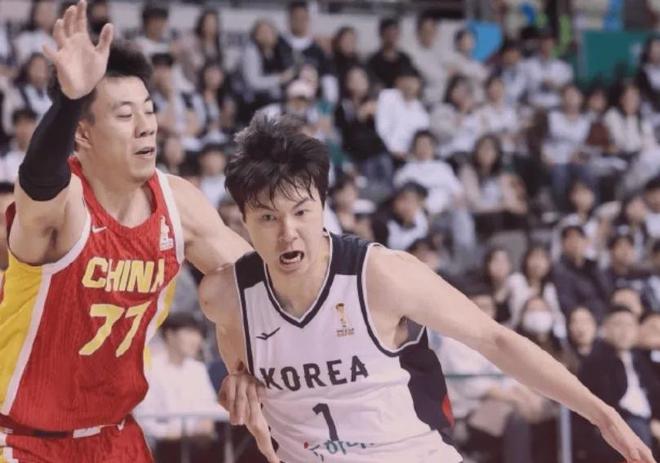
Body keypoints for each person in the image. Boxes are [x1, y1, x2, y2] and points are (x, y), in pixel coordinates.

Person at [199, 114, 656, 463]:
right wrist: (237, 384)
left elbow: (495, 339)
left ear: (323, 204)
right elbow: (245, 384)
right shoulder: (225, 298)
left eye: (301, 212)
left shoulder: (380, 274)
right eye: (267, 218)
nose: (288, 233)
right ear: (242, 220)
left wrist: (602, 414)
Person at [0, 2, 250, 461]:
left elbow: (255, 281)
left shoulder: (178, 203)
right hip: (23, 438)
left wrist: (245, 363)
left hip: (115, 436)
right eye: (124, 115)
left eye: (149, 111)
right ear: (83, 134)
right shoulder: (64, 205)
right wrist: (70, 100)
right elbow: (38, 181)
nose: (146, 127)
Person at [574, 305, 660, 463]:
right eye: (618, 324)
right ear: (605, 328)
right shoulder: (595, 361)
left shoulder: (642, 360)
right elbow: (602, 404)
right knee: (636, 429)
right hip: (616, 428)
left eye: (629, 325)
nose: (624, 330)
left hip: (647, 426)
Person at [136, 313, 222, 463]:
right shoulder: (150, 369)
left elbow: (209, 405)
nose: (196, 339)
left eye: (198, 334)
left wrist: (206, 422)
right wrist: (180, 433)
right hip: (163, 446)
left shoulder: (197, 369)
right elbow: (144, 418)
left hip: (198, 444)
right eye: (189, 332)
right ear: (170, 335)